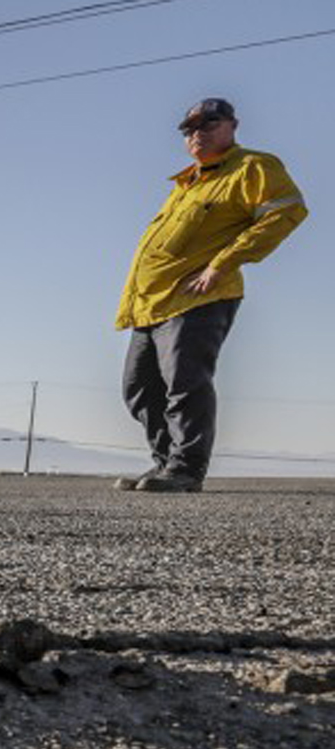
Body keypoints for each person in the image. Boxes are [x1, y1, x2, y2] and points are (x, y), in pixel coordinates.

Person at [114, 98, 307, 492]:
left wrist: (222, 264)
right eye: (189, 128)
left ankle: (186, 469)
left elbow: (286, 211)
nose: (197, 133)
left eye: (208, 123)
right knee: (139, 390)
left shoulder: (252, 166)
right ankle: (166, 463)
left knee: (186, 383)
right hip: (151, 303)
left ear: (232, 125)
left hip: (198, 297)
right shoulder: (187, 184)